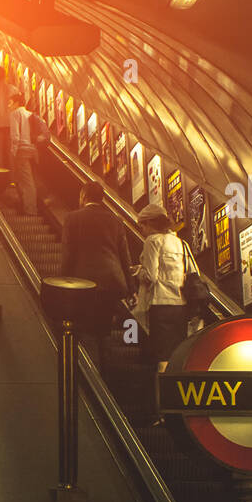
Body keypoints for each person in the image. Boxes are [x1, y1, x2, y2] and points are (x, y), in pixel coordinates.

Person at [61, 180, 134, 359]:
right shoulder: (116, 220)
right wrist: (132, 288)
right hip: (111, 283)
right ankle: (104, 370)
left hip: (84, 283)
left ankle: (91, 370)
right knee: (103, 329)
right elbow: (125, 257)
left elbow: (68, 253)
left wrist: (63, 283)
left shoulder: (73, 218)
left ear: (83, 196)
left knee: (86, 328)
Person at [133, 204, 188, 424]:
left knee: (162, 360)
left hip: (160, 305)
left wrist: (138, 271)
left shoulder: (152, 241)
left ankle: (162, 411)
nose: (142, 231)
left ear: (149, 224)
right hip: (180, 306)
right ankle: (176, 409)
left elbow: (151, 276)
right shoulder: (178, 241)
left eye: (142, 226)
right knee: (176, 357)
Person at [7, 91, 38, 216]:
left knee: (26, 181)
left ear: (16, 103)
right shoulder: (30, 114)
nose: (8, 106)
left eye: (9, 103)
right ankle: (28, 206)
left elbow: (15, 136)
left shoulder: (14, 114)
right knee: (27, 179)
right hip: (32, 149)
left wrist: (13, 152)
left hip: (21, 149)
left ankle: (30, 209)